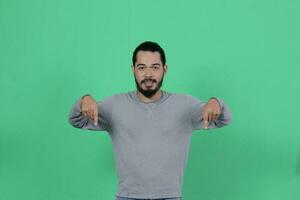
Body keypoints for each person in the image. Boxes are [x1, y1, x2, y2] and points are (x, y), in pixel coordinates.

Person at [68, 41, 232, 200]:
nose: (148, 74)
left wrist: (215, 102)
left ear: (164, 69)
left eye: (155, 67)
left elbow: (223, 119)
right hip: (127, 196)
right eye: (141, 68)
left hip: (170, 196)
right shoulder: (115, 105)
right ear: (133, 70)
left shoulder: (185, 105)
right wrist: (85, 99)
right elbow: (76, 119)